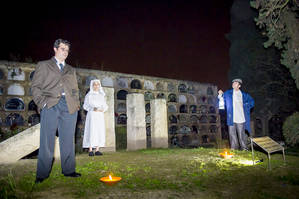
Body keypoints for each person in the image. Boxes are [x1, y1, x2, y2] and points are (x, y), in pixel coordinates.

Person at [31, 39, 81, 183]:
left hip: (69, 106)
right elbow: (35, 87)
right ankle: (42, 174)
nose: (65, 52)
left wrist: (76, 104)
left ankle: (69, 170)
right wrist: (43, 103)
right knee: (47, 140)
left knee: (68, 139)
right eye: (62, 49)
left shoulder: (71, 69)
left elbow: (74, 89)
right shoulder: (43, 65)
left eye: (67, 50)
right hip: (51, 104)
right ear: (55, 49)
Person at [218, 78, 254, 150]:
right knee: (232, 134)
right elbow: (222, 98)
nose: (233, 84)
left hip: (241, 118)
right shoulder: (228, 93)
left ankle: (244, 148)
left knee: (241, 135)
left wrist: (246, 106)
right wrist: (220, 94)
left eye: (235, 83)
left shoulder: (243, 95)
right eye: (233, 82)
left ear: (239, 86)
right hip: (231, 118)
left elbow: (251, 101)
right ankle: (234, 149)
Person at [83, 79, 108, 156]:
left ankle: (97, 149)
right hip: (92, 115)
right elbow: (85, 106)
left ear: (99, 86)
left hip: (100, 115)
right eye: (94, 84)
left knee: (99, 131)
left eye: (98, 84)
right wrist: (92, 109)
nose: (96, 86)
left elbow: (105, 105)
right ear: (92, 85)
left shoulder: (102, 95)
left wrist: (102, 109)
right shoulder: (89, 95)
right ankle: (90, 150)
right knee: (92, 130)